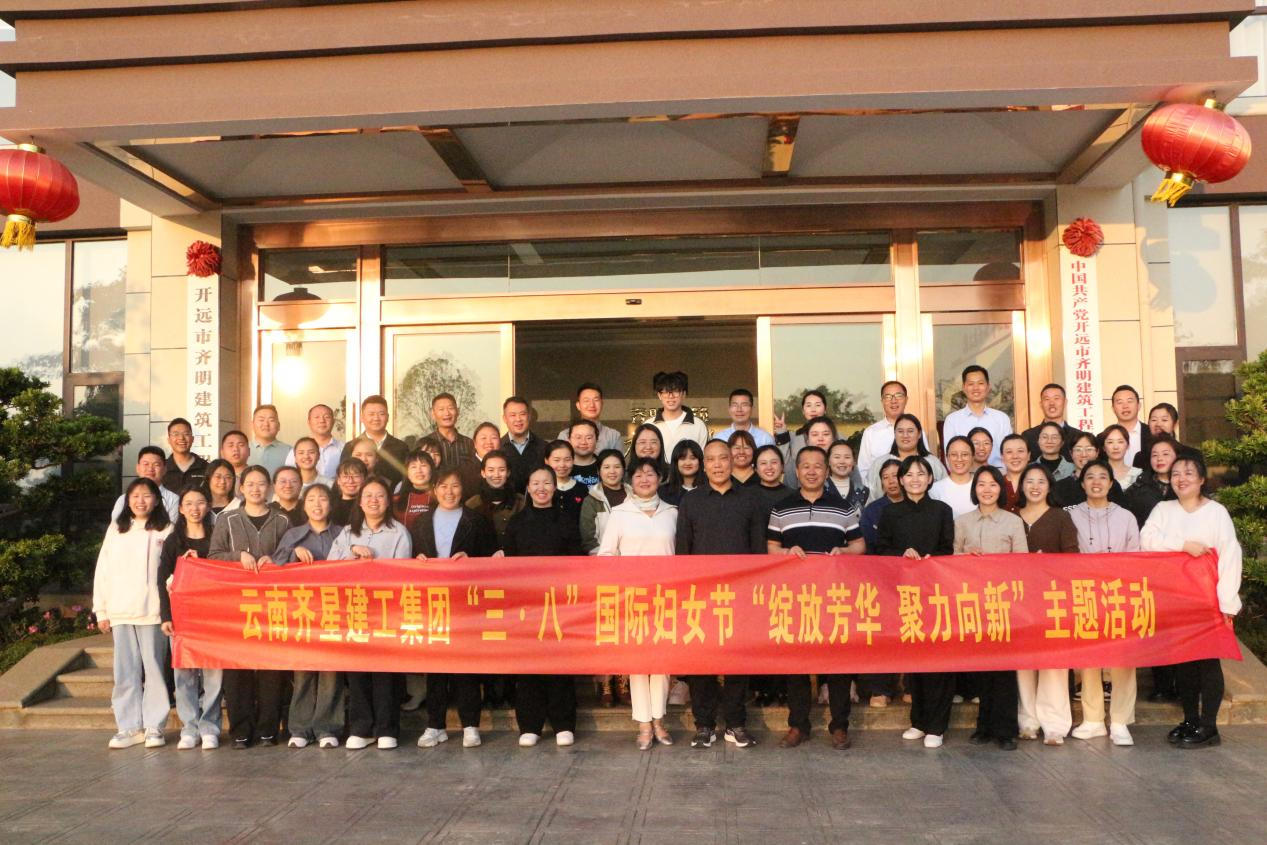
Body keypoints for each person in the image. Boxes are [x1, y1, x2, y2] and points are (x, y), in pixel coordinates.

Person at [1141, 453, 1243, 747]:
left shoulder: (1216, 512)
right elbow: (1146, 540)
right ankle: (1190, 719)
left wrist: (1227, 602)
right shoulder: (1163, 509)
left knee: (1208, 662)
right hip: (1174, 600)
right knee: (1183, 662)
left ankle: (1209, 726)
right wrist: (1182, 545)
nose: (1181, 479)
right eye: (1175, 474)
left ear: (1201, 480)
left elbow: (1230, 556)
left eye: (1188, 473)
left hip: (1208, 599)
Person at [768, 446, 865, 750]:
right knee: (796, 663)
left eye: (818, 466)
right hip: (794, 597)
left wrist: (844, 551)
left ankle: (839, 726)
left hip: (834, 597)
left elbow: (859, 545)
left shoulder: (843, 508)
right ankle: (798, 725)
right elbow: (771, 547)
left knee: (837, 663)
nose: (812, 471)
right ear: (796, 472)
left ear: (826, 471)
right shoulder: (781, 508)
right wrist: (787, 552)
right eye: (805, 466)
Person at [677, 439, 766, 749]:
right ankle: (704, 725)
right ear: (704, 465)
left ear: (733, 461)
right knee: (701, 661)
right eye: (711, 459)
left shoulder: (750, 499)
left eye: (723, 458)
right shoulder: (691, 501)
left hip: (739, 595)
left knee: (737, 662)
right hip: (700, 594)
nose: (717, 465)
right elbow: (683, 550)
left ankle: (736, 723)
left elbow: (758, 550)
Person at [207, 465, 293, 749]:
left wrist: (277, 561)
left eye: (261, 484)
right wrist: (237, 556)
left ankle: (268, 730)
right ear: (241, 488)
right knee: (237, 670)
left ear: (269, 488)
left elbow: (290, 556)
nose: (256, 489)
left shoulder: (283, 520)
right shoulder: (227, 519)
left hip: (273, 606)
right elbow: (213, 556)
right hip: (237, 607)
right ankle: (241, 731)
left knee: (271, 669)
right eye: (250, 484)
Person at [412, 468, 498, 749]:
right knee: (436, 666)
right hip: (433, 603)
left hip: (466, 603)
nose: (449, 492)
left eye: (455, 486)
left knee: (466, 665)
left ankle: (470, 725)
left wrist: (471, 559)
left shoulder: (477, 521)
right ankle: (435, 725)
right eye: (443, 486)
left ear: (463, 489)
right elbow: (410, 558)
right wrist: (417, 560)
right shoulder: (421, 522)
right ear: (434, 490)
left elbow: (492, 559)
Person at [596, 455, 678, 748]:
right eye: (639, 475)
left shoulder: (672, 512)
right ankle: (643, 723)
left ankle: (659, 720)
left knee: (662, 661)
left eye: (651, 474)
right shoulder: (619, 514)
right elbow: (606, 555)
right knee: (638, 662)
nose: (645, 479)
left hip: (667, 598)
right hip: (632, 599)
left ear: (660, 478)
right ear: (631, 480)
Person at [877, 456, 955, 748]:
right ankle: (919, 721)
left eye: (921, 474)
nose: (915, 479)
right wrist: (902, 554)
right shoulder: (889, 513)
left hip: (936, 593)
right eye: (909, 475)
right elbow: (881, 549)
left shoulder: (942, 511)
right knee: (914, 658)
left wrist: (931, 560)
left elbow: (948, 549)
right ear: (900, 480)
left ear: (930, 478)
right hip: (904, 594)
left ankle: (937, 725)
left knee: (938, 660)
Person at [331, 475, 413, 750]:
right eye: (368, 496)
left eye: (380, 496)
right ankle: (361, 728)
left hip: (386, 612)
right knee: (357, 672)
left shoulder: (399, 532)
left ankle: (387, 728)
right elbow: (330, 566)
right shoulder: (347, 533)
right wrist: (352, 551)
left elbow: (403, 573)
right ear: (360, 502)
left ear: (388, 501)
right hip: (354, 611)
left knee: (385, 672)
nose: (373, 501)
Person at [504, 467, 583, 748]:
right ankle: (530, 725)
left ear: (554, 487)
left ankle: (564, 724)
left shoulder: (567, 520)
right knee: (528, 665)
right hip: (526, 605)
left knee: (560, 664)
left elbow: (577, 561)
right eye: (536, 483)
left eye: (547, 483)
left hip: (559, 604)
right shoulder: (517, 523)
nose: (541, 488)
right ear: (528, 487)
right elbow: (508, 564)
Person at [1066, 459, 1141, 746]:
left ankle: (1120, 721)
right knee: (1089, 659)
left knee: (1123, 659)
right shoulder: (1069, 514)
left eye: (1102, 477)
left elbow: (1135, 556)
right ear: (1082, 483)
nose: (1096, 482)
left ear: (1111, 483)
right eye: (1090, 477)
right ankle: (1093, 719)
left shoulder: (1126, 516)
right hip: (1084, 593)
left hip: (1119, 593)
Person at [95, 478, 173, 750]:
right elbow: (103, 569)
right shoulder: (117, 529)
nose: (141, 501)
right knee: (125, 671)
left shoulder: (166, 529)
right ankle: (128, 726)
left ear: (156, 500)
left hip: (153, 611)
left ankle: (154, 725)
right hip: (120, 610)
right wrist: (101, 609)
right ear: (127, 500)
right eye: (135, 496)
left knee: (154, 670)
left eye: (147, 495)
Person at [953, 466, 1028, 750]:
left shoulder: (1013, 522)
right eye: (981, 484)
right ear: (975, 489)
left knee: (1005, 670)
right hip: (973, 603)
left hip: (1005, 604)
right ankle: (983, 726)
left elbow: (1022, 562)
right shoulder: (962, 522)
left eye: (993, 484)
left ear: (1001, 489)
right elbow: (951, 560)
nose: (987, 490)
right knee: (982, 667)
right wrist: (966, 558)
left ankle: (1006, 730)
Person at [273, 483, 345, 748]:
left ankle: (327, 729)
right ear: (304, 506)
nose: (317, 504)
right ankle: (300, 729)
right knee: (303, 670)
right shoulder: (293, 534)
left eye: (322, 499)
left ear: (331, 504)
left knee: (331, 672)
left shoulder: (343, 533)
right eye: (311, 499)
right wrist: (292, 553)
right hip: (302, 613)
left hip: (334, 612)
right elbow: (275, 564)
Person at [1014, 464, 1078, 745]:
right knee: (1024, 663)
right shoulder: (1012, 516)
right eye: (1029, 481)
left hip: (1053, 599)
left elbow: (1073, 557)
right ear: (1021, 486)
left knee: (1053, 662)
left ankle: (1055, 725)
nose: (1035, 486)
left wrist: (1048, 563)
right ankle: (1028, 721)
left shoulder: (1061, 517)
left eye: (1041, 481)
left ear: (1050, 486)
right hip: (1019, 601)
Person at [157, 485, 221, 750]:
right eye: (189, 503)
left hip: (213, 616)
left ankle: (210, 727)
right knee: (184, 673)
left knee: (214, 673)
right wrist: (166, 616)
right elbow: (162, 579)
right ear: (181, 509)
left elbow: (225, 570)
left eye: (200, 502)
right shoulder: (173, 540)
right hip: (182, 617)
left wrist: (201, 562)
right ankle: (190, 727)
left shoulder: (217, 536)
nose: (195, 508)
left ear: (208, 506)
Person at [748, 443, 793, 708]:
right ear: (755, 468)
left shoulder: (792, 496)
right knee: (758, 631)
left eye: (774, 462)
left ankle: (784, 687)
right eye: (763, 463)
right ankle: (761, 688)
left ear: (782, 467)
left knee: (783, 628)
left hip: (786, 573)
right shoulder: (746, 496)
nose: (769, 467)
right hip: (755, 572)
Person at [941, 365, 1012, 468]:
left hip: (998, 474)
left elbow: (1009, 452)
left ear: (988, 387)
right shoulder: (952, 420)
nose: (976, 388)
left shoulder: (1002, 418)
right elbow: (950, 458)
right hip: (965, 475)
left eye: (980, 383)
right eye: (971, 384)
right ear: (963, 387)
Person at [857, 380, 929, 478]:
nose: (893, 401)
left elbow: (926, 462)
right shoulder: (871, 432)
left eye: (898, 395)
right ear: (882, 401)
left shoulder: (916, 430)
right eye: (888, 397)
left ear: (906, 399)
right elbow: (863, 470)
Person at [867, 413, 946, 498]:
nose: (905, 435)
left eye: (910, 431)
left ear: (919, 434)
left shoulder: (933, 463)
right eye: (900, 431)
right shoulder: (879, 463)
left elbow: (944, 492)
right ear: (895, 434)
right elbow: (871, 495)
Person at [340, 395, 409, 489]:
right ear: (362, 417)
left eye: (381, 414)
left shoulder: (401, 447)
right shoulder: (350, 447)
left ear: (388, 417)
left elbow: (406, 480)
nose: (376, 418)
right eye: (371, 414)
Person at [466, 450, 525, 545]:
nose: (496, 475)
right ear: (483, 473)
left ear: (508, 472)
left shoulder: (521, 502)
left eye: (501, 470)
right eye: (491, 470)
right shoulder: (472, 504)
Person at [1053, 432, 1125, 508]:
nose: (1084, 454)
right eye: (1078, 449)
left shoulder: (1110, 485)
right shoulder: (1059, 487)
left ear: (1097, 452)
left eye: (1089, 449)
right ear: (1071, 453)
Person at [112, 446, 180, 523]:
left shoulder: (173, 499)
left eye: (156, 465)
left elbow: (172, 528)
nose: (150, 469)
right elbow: (116, 526)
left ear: (164, 469)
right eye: (146, 464)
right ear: (138, 468)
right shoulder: (123, 499)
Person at [580, 449, 629, 554]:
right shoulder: (591, 500)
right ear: (598, 471)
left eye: (617, 467)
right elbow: (589, 540)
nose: (612, 471)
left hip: (633, 558)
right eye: (606, 467)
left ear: (623, 470)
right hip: (602, 558)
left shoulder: (634, 496)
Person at [772, 390, 828, 481]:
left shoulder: (837, 437)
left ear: (825, 409)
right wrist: (782, 433)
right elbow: (784, 464)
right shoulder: (795, 437)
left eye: (818, 405)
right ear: (803, 411)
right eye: (808, 405)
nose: (813, 409)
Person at [651, 370, 709, 454]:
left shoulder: (698, 425)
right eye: (666, 392)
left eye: (676, 391)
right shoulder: (649, 425)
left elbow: (703, 457)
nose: (671, 396)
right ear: (659, 395)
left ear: (684, 394)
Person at [558, 382, 624, 454]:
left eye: (596, 400)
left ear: (602, 404)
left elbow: (618, 460)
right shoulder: (564, 436)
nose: (592, 405)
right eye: (586, 400)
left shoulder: (613, 436)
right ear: (578, 405)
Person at [283, 403, 344, 478]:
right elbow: (289, 476)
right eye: (317, 417)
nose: (322, 420)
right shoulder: (297, 451)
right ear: (309, 422)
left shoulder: (344, 448)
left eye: (327, 417)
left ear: (333, 422)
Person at [1021, 384, 1079, 459]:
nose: (1052, 403)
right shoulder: (1028, 436)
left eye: (1056, 398)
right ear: (1041, 404)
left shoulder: (1078, 436)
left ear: (1065, 402)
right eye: (1047, 399)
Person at [503, 396, 547, 493]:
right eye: (513, 415)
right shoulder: (498, 448)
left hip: (537, 500)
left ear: (529, 416)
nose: (518, 419)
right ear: (504, 419)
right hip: (506, 501)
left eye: (522, 414)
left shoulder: (544, 447)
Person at [786, 416, 840, 489]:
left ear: (834, 438)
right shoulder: (794, 464)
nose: (820, 439)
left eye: (826, 434)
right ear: (807, 440)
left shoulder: (844, 463)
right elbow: (789, 494)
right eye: (815, 434)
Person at [930, 436, 975, 518]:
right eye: (954, 454)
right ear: (947, 457)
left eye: (965, 454)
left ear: (972, 457)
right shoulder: (935, 490)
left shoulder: (982, 486)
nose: (959, 459)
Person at [161, 417, 208, 494]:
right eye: (176, 434)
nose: (181, 438)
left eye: (186, 434)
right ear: (169, 440)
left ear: (192, 439)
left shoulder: (206, 467)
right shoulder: (162, 468)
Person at [545, 440, 588, 522]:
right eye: (556, 460)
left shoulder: (582, 488)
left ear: (573, 460)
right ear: (546, 461)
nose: (562, 465)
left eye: (567, 459)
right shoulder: (540, 488)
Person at [392, 449, 435, 530]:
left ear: (431, 470)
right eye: (413, 467)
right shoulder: (395, 500)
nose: (419, 471)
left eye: (423, 465)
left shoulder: (440, 498)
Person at [826, 440, 869, 518]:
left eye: (847, 457)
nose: (842, 461)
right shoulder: (819, 489)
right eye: (837, 457)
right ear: (828, 461)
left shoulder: (864, 491)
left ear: (854, 462)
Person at [1134, 401, 1182, 470]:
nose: (1158, 424)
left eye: (1164, 420)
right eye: (1154, 420)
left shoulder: (1189, 454)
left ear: (1175, 424)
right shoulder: (1140, 457)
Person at [1111, 384, 1148, 466]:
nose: (1125, 406)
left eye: (1130, 401)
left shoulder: (1152, 433)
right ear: (1113, 408)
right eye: (1120, 402)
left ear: (1139, 406)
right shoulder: (1103, 438)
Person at [248, 404, 290, 476]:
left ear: (278, 426)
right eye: (261, 420)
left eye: (271, 420)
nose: (266, 424)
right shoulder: (243, 449)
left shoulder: (289, 451)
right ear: (252, 425)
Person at [658, 439, 703, 506]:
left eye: (693, 458)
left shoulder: (710, 489)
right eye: (682, 458)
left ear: (700, 461)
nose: (687, 463)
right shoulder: (663, 492)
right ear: (676, 462)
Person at [1100, 424, 1142, 491]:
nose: (1115, 447)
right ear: (1104, 447)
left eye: (1120, 442)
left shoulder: (1138, 474)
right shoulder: (1097, 474)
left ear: (1127, 445)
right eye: (1110, 442)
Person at [330, 457, 368, 526]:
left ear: (365, 479)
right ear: (338, 480)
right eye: (345, 476)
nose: (350, 481)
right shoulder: (329, 505)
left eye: (356, 476)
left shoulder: (369, 505)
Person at [999, 434, 1031, 512]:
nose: (1015, 456)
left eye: (1020, 451)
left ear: (1028, 455)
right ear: (1002, 457)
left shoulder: (1038, 485)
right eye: (1009, 452)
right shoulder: (995, 484)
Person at [567, 419, 602, 488]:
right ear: (569, 440)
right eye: (578, 437)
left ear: (597, 440)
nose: (583, 442)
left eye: (589, 438)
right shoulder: (562, 467)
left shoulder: (604, 465)